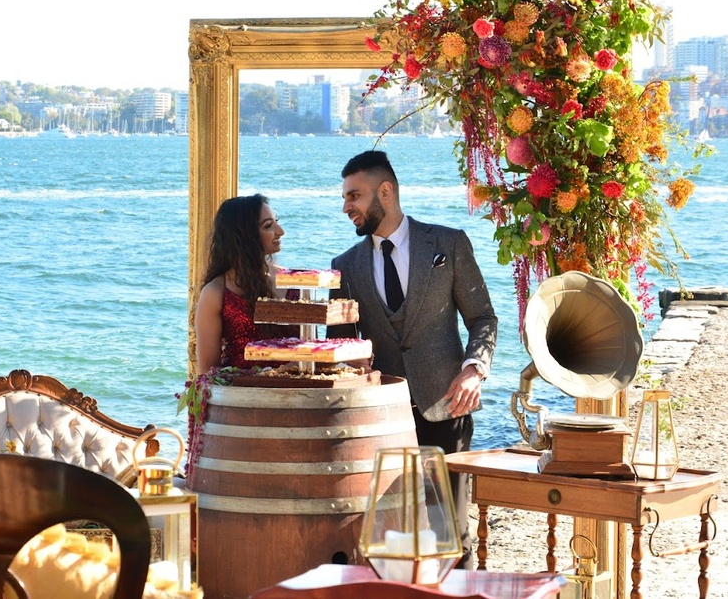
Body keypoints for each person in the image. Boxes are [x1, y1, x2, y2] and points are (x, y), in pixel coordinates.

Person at [329, 150, 498, 567]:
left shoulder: (448, 244)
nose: (346, 206)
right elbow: (340, 347)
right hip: (379, 419)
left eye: (354, 195)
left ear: (385, 192)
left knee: (449, 533)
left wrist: (474, 370)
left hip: (446, 408)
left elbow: (482, 318)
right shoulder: (344, 266)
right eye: (346, 197)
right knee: (390, 534)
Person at [185, 193, 288, 483]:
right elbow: (208, 372)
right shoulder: (215, 292)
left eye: (276, 222)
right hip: (240, 415)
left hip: (294, 405)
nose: (280, 231)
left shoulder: (293, 282)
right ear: (244, 236)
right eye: (268, 226)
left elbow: (309, 350)